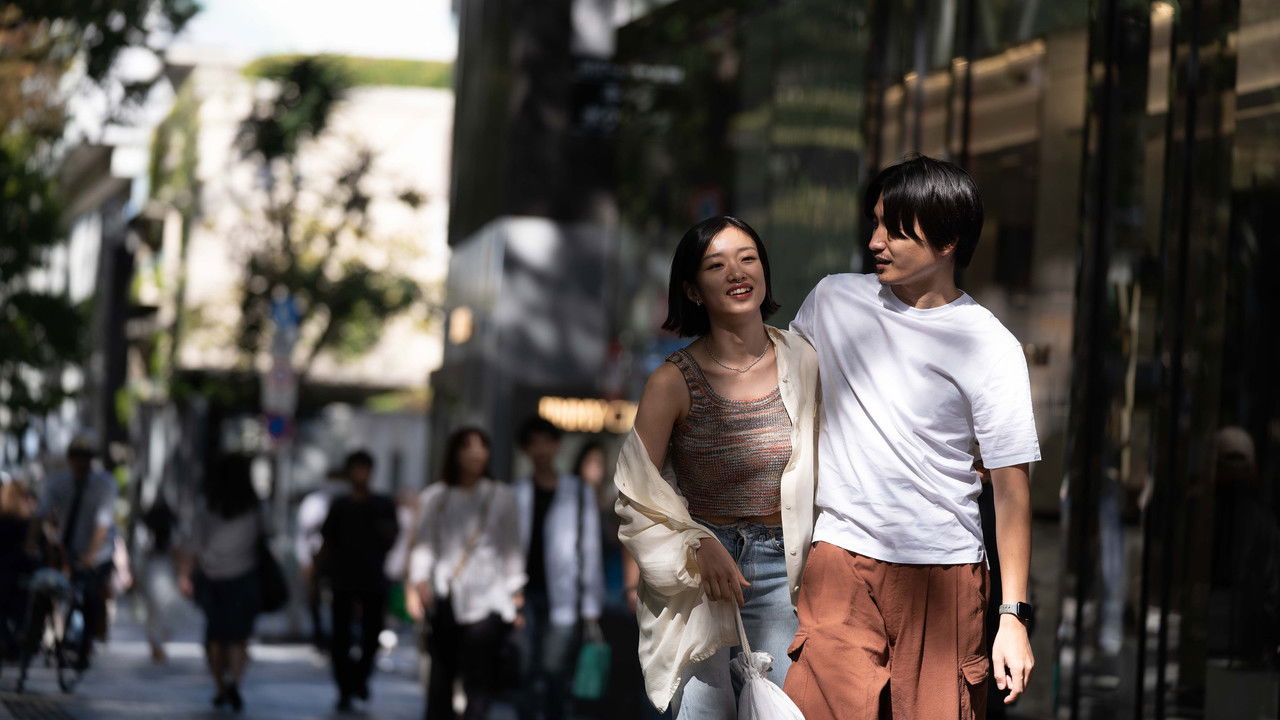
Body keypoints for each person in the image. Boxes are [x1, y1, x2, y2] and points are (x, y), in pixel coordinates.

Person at [782, 154, 1040, 719]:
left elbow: (1012, 488)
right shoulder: (834, 300)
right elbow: (780, 385)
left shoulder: (989, 345)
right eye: (873, 223)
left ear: (947, 239)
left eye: (894, 228)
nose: (876, 241)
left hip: (943, 573)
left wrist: (1013, 616)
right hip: (839, 557)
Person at [615, 215, 820, 718]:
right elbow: (635, 491)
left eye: (748, 258)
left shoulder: (805, 360)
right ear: (692, 288)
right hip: (700, 576)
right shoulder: (671, 380)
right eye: (716, 264)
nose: (736, 272)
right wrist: (697, 542)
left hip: (783, 568)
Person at [409, 428, 524, 720]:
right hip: (446, 594)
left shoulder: (501, 496)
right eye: (467, 446)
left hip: (489, 599)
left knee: (479, 680)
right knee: (441, 677)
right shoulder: (436, 496)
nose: (476, 453)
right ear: (454, 453)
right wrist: (420, 580)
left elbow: (510, 546)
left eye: (482, 446)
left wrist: (515, 591)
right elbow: (424, 543)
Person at [513, 418, 605, 720]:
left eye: (546, 441)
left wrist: (591, 604)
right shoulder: (516, 493)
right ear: (525, 449)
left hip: (564, 596)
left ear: (557, 445)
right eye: (533, 442)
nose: (540, 449)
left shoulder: (578, 492)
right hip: (523, 595)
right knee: (525, 670)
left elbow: (589, 549)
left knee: (555, 674)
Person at [178, 454, 266, 713]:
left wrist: (185, 574)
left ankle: (219, 687)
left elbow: (193, 545)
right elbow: (267, 534)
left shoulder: (207, 507)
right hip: (245, 577)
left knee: (215, 637)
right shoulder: (255, 507)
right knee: (239, 637)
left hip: (212, 578)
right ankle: (235, 683)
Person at [319, 450, 400, 712]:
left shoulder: (381, 504)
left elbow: (392, 536)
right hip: (342, 579)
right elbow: (327, 540)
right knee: (340, 638)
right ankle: (345, 687)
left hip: (373, 579)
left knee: (371, 635)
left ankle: (360, 679)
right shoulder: (340, 505)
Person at [27, 435, 117, 661]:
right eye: (76, 457)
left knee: (91, 596)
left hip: (98, 553)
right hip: (68, 549)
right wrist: (30, 542)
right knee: (43, 589)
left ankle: (87, 644)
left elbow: (102, 525)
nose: (81, 463)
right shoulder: (57, 482)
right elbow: (41, 513)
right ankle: (31, 638)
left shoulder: (104, 484)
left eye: (85, 457)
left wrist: (90, 556)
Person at [295, 468, 348, 651]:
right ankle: (319, 635)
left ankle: (338, 635)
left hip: (341, 560)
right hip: (316, 557)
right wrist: (304, 560)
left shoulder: (346, 502)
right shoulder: (314, 502)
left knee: (340, 598)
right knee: (314, 597)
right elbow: (302, 533)